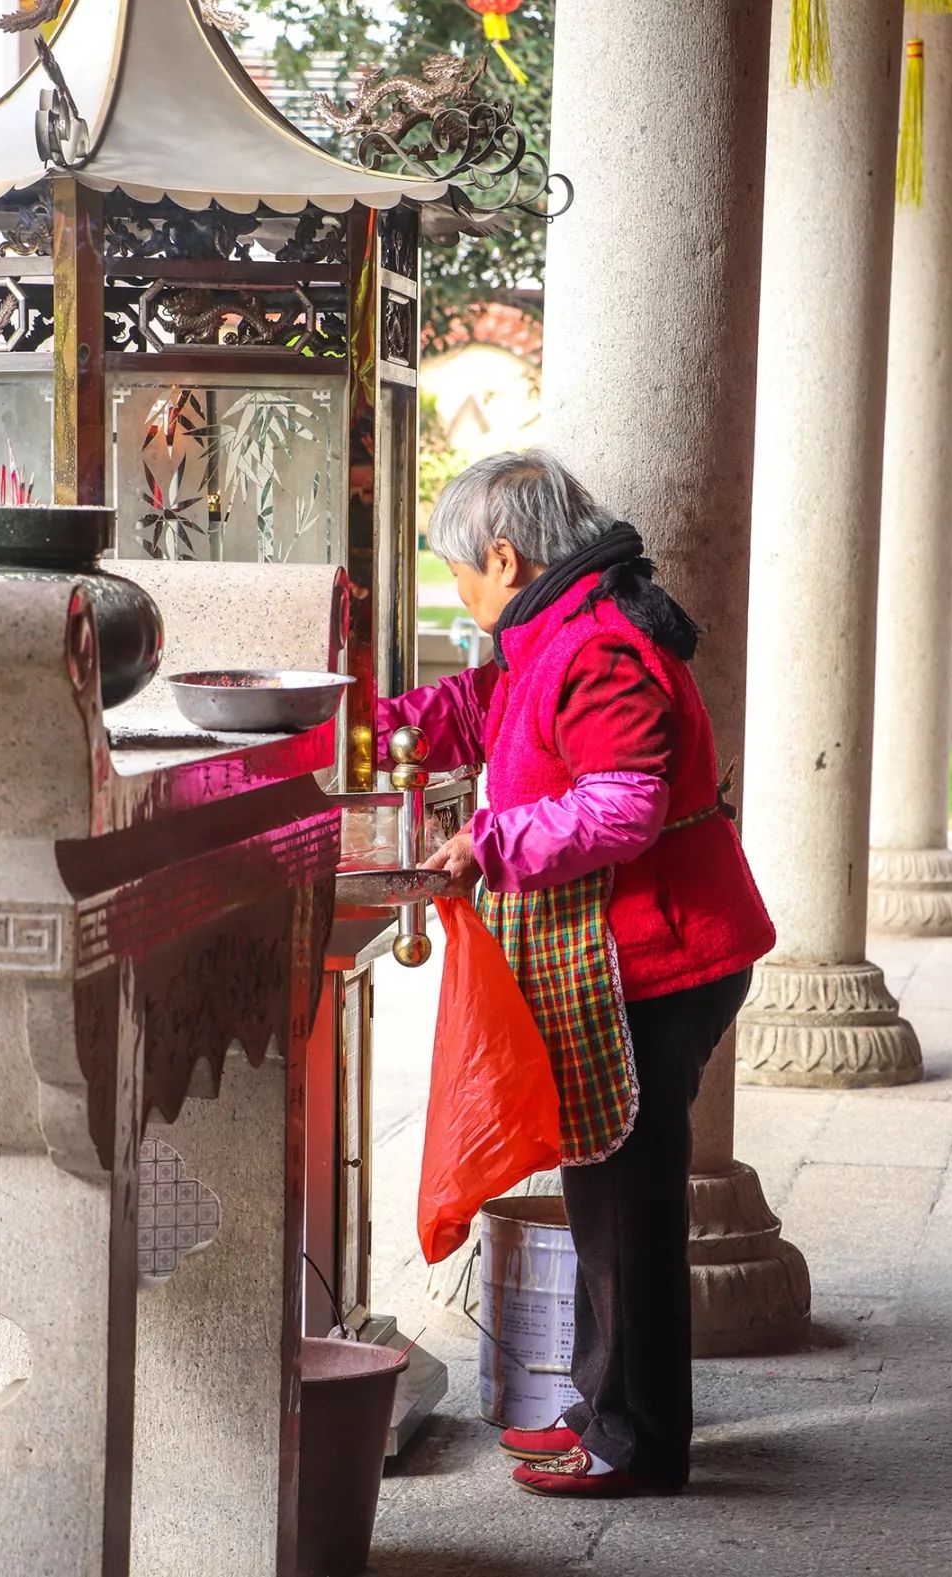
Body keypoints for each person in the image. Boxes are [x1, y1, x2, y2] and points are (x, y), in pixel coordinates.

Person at [377, 449, 775, 1499]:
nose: (458, 591)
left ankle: (637, 1443)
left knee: (629, 1209)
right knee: (606, 1196)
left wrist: (489, 843)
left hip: (661, 958)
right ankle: (608, 1409)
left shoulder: (597, 647)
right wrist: (371, 727)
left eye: (459, 571)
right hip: (635, 954)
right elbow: (482, 709)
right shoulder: (555, 630)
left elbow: (622, 808)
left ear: (506, 558)